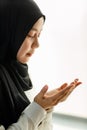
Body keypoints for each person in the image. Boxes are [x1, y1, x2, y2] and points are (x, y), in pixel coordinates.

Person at [0, 0, 82, 130]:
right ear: (9, 31)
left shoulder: (19, 73)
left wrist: (47, 106)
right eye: (30, 35)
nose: (37, 44)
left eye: (39, 35)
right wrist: (38, 108)